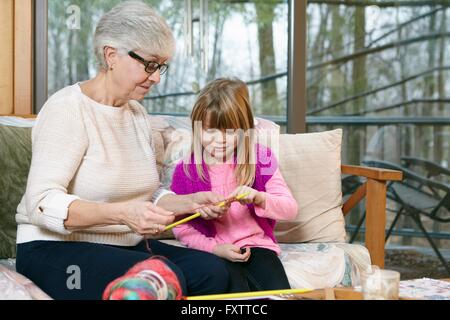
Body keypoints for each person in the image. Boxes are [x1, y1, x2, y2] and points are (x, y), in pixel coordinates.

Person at [15, 1, 231, 300]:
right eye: (150, 64)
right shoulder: (67, 109)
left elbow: (148, 194)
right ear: (111, 55)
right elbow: (42, 202)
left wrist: (189, 203)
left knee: (212, 271)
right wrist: (121, 214)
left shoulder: (137, 115)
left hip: (124, 246)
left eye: (161, 67)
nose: (156, 77)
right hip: (55, 249)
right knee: (159, 275)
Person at [170, 78, 298, 292]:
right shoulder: (186, 171)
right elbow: (181, 226)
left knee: (279, 293)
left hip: (258, 248)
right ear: (196, 128)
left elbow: (290, 209)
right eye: (210, 131)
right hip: (214, 253)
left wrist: (259, 197)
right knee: (234, 291)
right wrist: (214, 248)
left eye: (229, 132)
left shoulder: (261, 159)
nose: (219, 140)